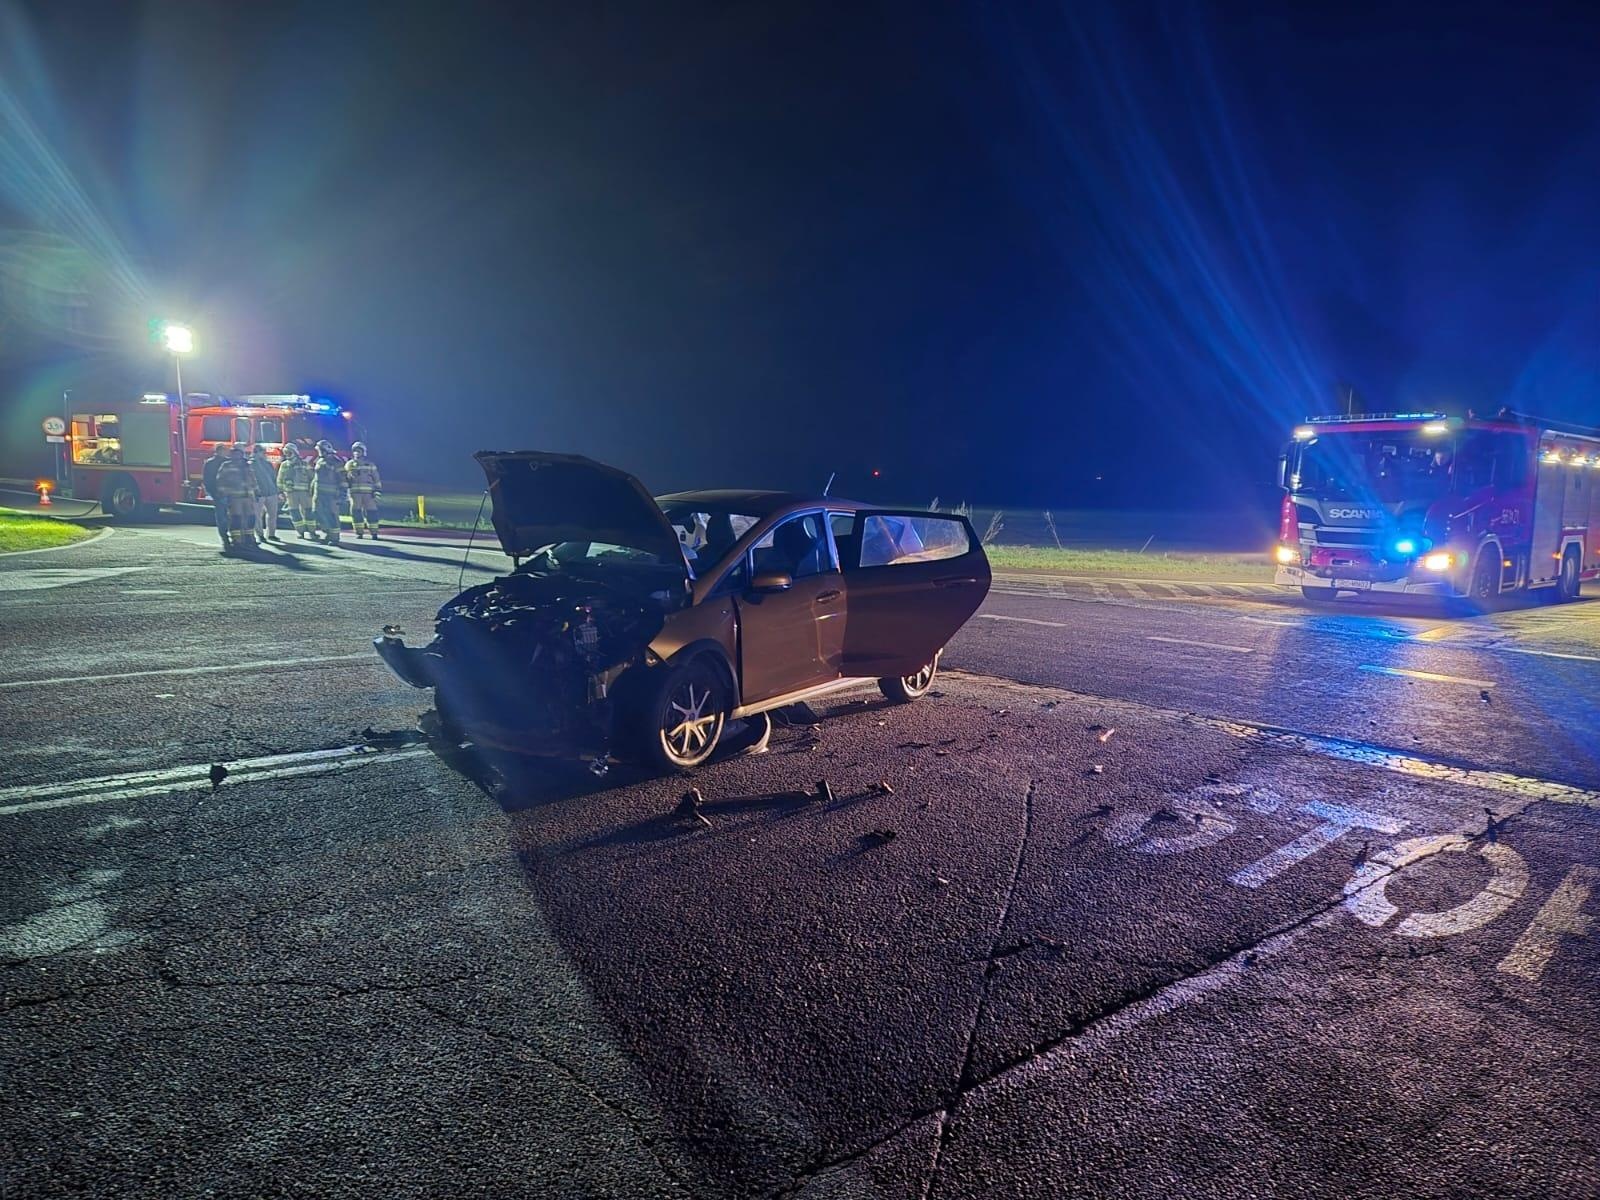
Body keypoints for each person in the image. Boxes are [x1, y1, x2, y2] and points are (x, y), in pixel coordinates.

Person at [214, 445, 259, 552]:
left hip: (248, 496)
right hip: (234, 497)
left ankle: (249, 538)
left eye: (239, 453)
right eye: (235, 452)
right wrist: (224, 494)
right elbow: (220, 480)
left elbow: (253, 479)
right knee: (236, 518)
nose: (237, 455)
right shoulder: (226, 465)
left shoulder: (247, 465)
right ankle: (237, 540)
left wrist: (257, 492)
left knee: (251, 518)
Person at [344, 441, 382, 538]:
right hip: (354, 493)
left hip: (368, 493)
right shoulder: (349, 464)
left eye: (359, 451)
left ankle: (374, 533)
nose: (356, 453)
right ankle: (359, 532)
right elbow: (345, 478)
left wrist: (377, 491)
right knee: (356, 512)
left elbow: (376, 478)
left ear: (363, 452)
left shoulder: (369, 464)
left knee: (371, 512)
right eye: (355, 451)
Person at [311, 440, 346, 544]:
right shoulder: (320, 461)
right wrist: (311, 489)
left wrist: (342, 495)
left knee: (331, 515)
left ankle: (334, 537)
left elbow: (343, 479)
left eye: (319, 450)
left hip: (331, 495)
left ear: (325, 450)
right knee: (317, 513)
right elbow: (316, 477)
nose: (318, 452)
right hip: (319, 494)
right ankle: (327, 532)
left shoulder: (336, 462)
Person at [277, 444, 315, 538]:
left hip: (305, 492)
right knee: (294, 512)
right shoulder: (284, 465)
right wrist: (281, 491)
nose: (287, 454)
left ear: (294, 452)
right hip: (290, 493)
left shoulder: (304, 464)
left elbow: (312, 477)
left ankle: (311, 532)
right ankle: (300, 531)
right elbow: (280, 479)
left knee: (308, 512)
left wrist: (312, 490)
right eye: (285, 453)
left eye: (289, 452)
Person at [201, 443, 231, 550]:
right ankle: (225, 537)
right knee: (222, 516)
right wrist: (213, 492)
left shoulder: (227, 461)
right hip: (219, 493)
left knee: (227, 516)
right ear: (218, 451)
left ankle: (230, 536)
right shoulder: (211, 463)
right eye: (224, 450)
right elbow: (207, 479)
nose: (226, 452)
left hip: (229, 493)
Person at [250, 445, 282, 541]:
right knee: (258, 515)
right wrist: (255, 491)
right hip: (259, 494)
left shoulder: (267, 464)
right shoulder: (251, 464)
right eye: (262, 452)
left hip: (271, 492)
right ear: (256, 452)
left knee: (272, 514)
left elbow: (273, 477)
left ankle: (271, 534)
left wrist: (277, 491)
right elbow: (251, 479)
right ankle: (260, 535)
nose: (264, 454)